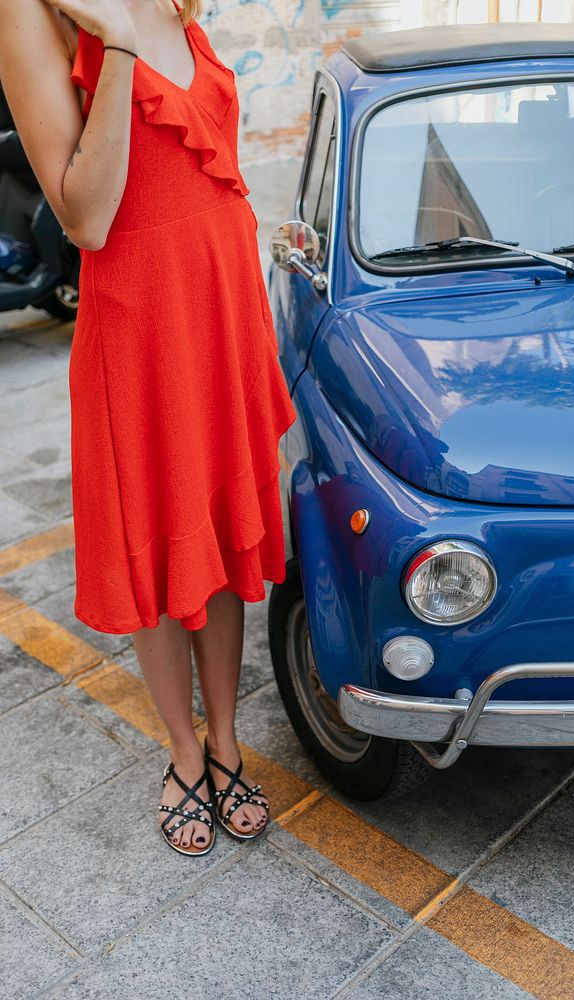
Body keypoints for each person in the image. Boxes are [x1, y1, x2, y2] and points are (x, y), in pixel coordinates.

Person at [0, 0, 297, 855]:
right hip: (141, 328)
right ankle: (182, 755)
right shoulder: (37, 18)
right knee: (158, 539)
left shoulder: (173, 1)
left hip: (220, 313)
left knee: (220, 542)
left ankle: (229, 744)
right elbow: (86, 218)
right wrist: (121, 46)